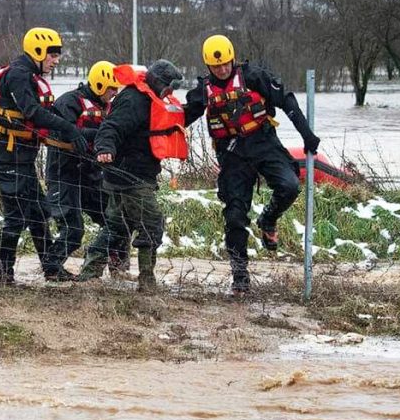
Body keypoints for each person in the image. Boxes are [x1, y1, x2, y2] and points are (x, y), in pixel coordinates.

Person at [184, 34, 320, 295]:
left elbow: (287, 101)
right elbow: (184, 117)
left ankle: (268, 220)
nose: (222, 70)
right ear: (207, 67)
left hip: (263, 142)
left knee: (290, 186)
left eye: (225, 64)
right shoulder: (203, 92)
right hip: (232, 155)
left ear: (232, 60)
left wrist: (307, 135)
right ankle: (240, 278)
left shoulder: (254, 76)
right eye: (216, 67)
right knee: (234, 216)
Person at [0, 27, 88, 285]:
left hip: (22, 160)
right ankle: (2, 275)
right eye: (53, 55)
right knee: (16, 217)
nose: (57, 60)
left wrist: (75, 131)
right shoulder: (19, 75)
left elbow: (47, 111)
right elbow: (32, 112)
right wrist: (68, 129)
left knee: (40, 213)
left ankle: (51, 269)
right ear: (38, 51)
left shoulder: (30, 75)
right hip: (6, 158)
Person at [76, 60, 189, 292]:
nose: (171, 93)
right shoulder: (134, 100)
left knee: (117, 226)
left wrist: (199, 102)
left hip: (131, 174)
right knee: (151, 224)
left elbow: (173, 122)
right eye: (169, 87)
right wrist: (105, 148)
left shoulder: (151, 99)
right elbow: (111, 127)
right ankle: (147, 281)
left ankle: (89, 274)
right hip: (130, 176)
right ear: (158, 82)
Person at [47, 60, 129, 274]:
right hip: (64, 172)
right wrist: (98, 135)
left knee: (115, 219)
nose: (114, 92)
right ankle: (52, 268)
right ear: (100, 84)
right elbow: (62, 131)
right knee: (73, 229)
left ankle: (116, 264)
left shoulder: (109, 107)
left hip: (91, 173)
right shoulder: (69, 102)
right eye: (111, 88)